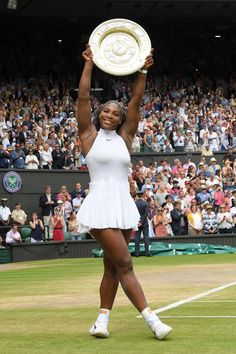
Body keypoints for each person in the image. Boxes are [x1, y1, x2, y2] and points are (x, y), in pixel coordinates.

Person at [76, 45, 172, 340]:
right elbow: (82, 96)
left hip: (122, 204)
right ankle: (152, 320)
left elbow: (136, 100)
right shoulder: (87, 135)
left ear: (120, 119)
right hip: (100, 204)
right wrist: (89, 64)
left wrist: (143, 70)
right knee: (126, 263)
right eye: (105, 110)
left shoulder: (126, 137)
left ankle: (101, 322)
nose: (109, 114)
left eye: (115, 113)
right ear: (98, 113)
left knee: (113, 268)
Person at [134, 190, 151, 257]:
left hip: (137, 223)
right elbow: (146, 213)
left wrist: (139, 221)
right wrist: (141, 221)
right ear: (143, 195)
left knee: (137, 238)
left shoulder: (134, 203)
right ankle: (147, 253)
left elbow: (134, 214)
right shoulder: (145, 203)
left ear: (137, 196)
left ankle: (137, 253)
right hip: (144, 223)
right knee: (146, 238)